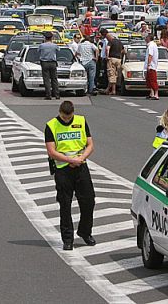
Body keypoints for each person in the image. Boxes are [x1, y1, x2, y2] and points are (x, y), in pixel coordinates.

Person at [45, 100, 96, 251]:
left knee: (88, 201)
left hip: (81, 166)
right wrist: (69, 160)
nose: (66, 120)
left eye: (69, 117)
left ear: (73, 112)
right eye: (64, 117)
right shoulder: (51, 125)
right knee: (65, 205)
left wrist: (81, 158)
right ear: (59, 112)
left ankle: (85, 232)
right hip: (63, 169)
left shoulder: (81, 121)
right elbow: (51, 151)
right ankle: (68, 239)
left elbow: (90, 144)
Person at [39, 31, 60, 100]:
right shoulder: (54, 45)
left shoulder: (42, 45)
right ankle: (57, 95)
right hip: (53, 63)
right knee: (54, 79)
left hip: (44, 63)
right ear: (51, 38)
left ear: (45, 38)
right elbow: (58, 50)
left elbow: (38, 51)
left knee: (46, 79)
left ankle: (48, 95)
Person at [144, 34, 159, 100]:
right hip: (152, 65)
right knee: (149, 80)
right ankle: (151, 93)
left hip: (151, 66)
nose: (145, 39)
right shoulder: (154, 44)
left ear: (149, 38)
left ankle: (156, 94)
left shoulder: (151, 46)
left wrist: (149, 65)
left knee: (152, 80)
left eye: (146, 37)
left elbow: (150, 55)